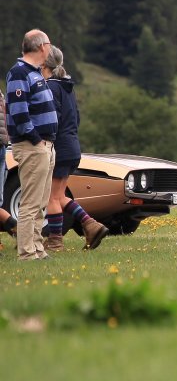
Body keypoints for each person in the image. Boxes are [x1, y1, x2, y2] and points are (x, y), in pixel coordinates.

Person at [42, 47, 109, 251]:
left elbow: (52, 120)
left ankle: (55, 241)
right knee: (61, 196)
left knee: (51, 198)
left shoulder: (50, 87)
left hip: (59, 148)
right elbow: (76, 118)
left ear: (44, 64)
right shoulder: (67, 87)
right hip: (72, 147)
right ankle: (91, 224)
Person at [7, 29, 59, 259]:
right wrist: (36, 140)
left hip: (46, 145)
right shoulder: (19, 72)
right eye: (48, 44)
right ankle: (27, 252)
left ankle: (37, 247)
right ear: (40, 47)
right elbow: (19, 113)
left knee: (41, 201)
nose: (50, 48)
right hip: (32, 146)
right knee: (30, 202)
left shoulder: (35, 72)